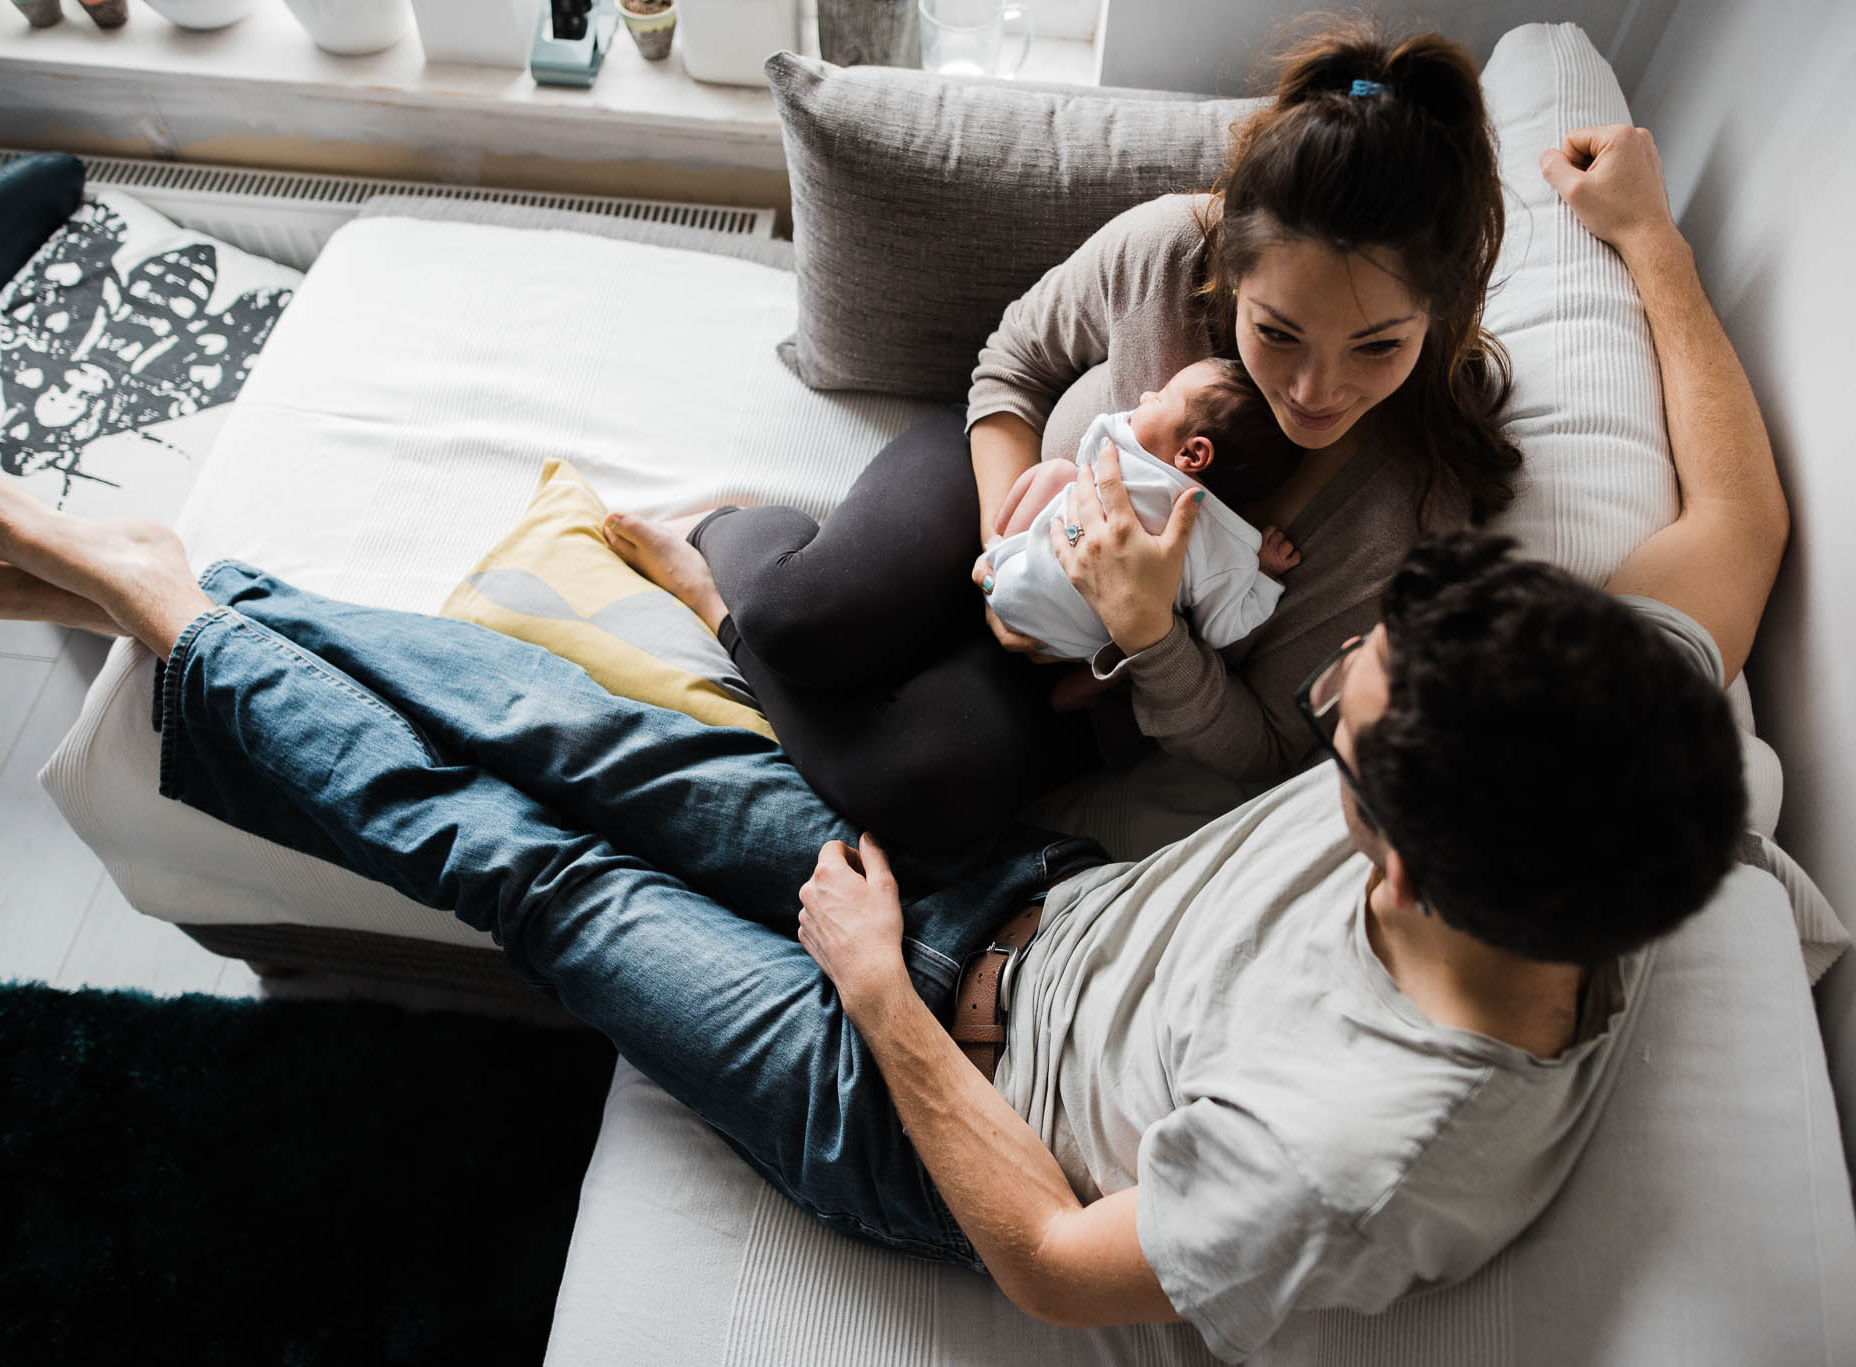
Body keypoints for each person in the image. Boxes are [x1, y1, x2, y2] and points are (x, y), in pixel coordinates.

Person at [0, 118, 1791, 1358]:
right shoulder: (1595, 718)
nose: (1334, 691)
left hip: (901, 1081)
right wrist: (1645, 236)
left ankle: (165, 611)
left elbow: (1052, 1262)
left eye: (1346, 737)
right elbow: (1738, 531)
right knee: (565, 725)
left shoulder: (1366, 1147)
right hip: (1025, 894)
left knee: (525, 864)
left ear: (1398, 855)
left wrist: (878, 993)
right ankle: (191, 593)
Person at [605, 20, 1522, 848]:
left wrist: (1145, 632)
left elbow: (1268, 743)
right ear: (1234, 273)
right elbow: (1012, 365)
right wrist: (1006, 547)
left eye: (1377, 346)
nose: (1316, 391)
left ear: (1437, 316)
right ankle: (734, 529)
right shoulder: (1168, 252)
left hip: (1102, 673)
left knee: (917, 792)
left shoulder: (1408, 501)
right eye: (1276, 332)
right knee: (801, 619)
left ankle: (709, 601)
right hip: (1002, 494)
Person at [979, 358, 1299, 665]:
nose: (1145, 395)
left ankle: (998, 545)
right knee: (1133, 654)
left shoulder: (1124, 448)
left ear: (1192, 452)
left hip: (1011, 576)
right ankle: (1080, 689)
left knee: (1057, 472)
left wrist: (991, 555)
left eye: (1159, 399)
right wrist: (1264, 575)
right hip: (1077, 644)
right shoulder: (1228, 548)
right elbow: (1222, 630)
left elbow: (1086, 456)